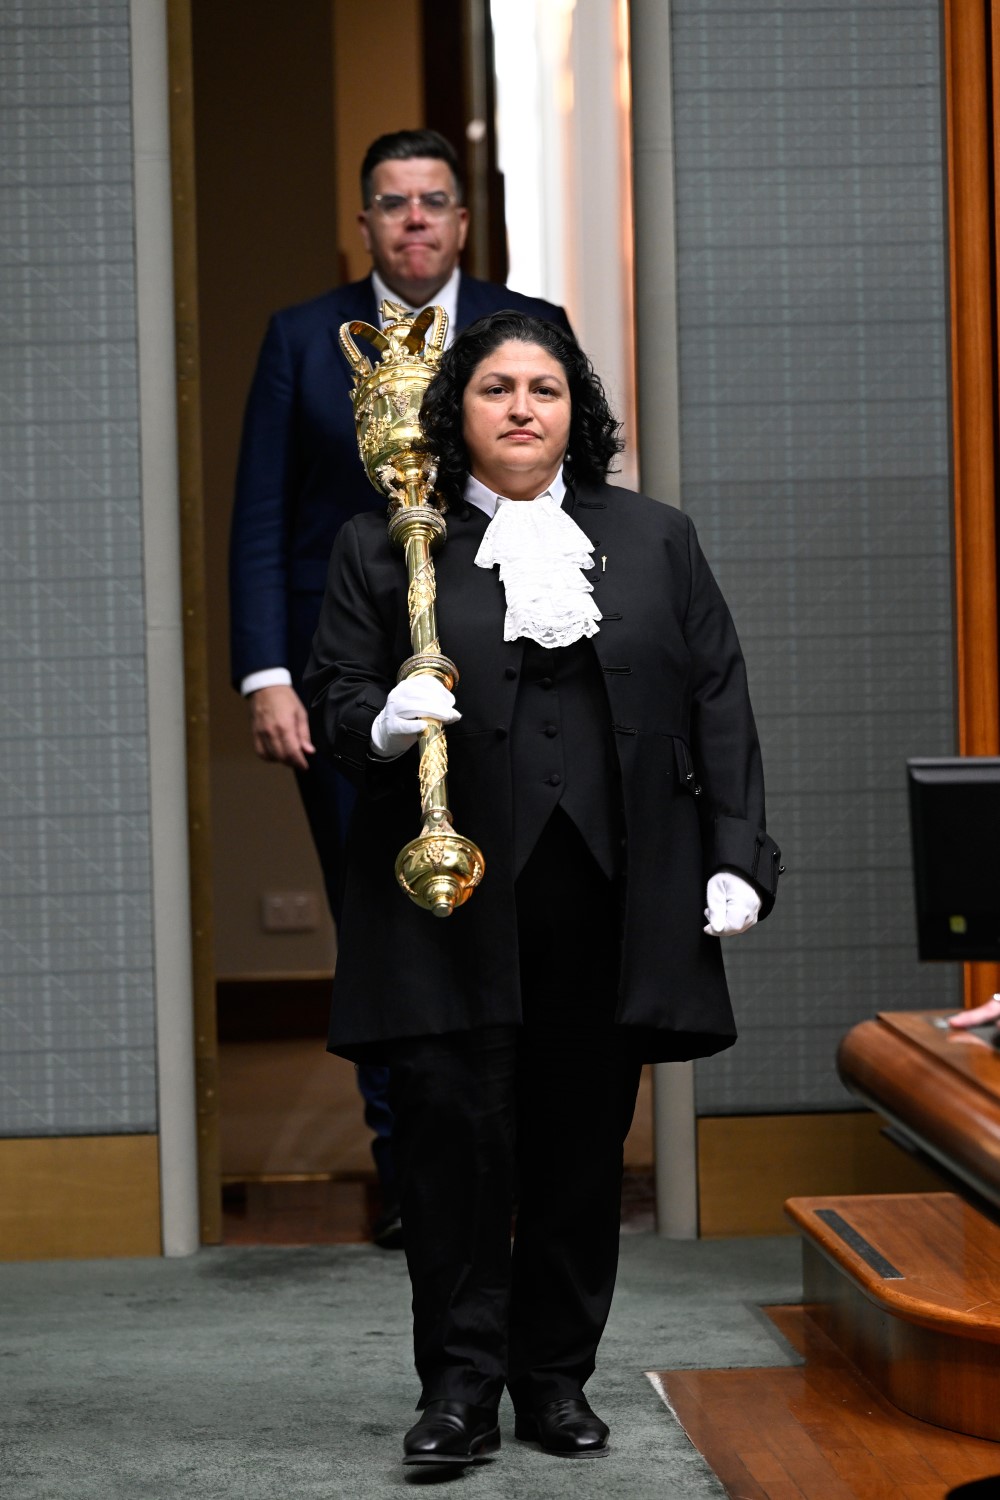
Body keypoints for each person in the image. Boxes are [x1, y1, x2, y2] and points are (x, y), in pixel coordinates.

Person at [303, 311, 782, 1466]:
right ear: (453, 412)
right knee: (455, 1146)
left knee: (578, 1148)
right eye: (497, 388)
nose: (524, 407)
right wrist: (379, 720)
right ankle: (458, 1391)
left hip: (609, 902)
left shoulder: (655, 539)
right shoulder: (385, 547)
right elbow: (333, 693)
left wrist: (735, 855)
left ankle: (554, 1379)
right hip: (450, 903)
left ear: (578, 412)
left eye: (547, 389)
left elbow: (717, 698)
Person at [228, 131, 571, 1245]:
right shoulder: (298, 340)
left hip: (511, 667)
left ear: (463, 222)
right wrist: (267, 675)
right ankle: (410, 1169)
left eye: (433, 203)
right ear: (365, 223)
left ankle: (509, 1152)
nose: (414, 222)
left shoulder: (528, 333)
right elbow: (262, 519)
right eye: (393, 204)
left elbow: (581, 498)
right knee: (374, 913)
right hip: (343, 678)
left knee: (512, 894)